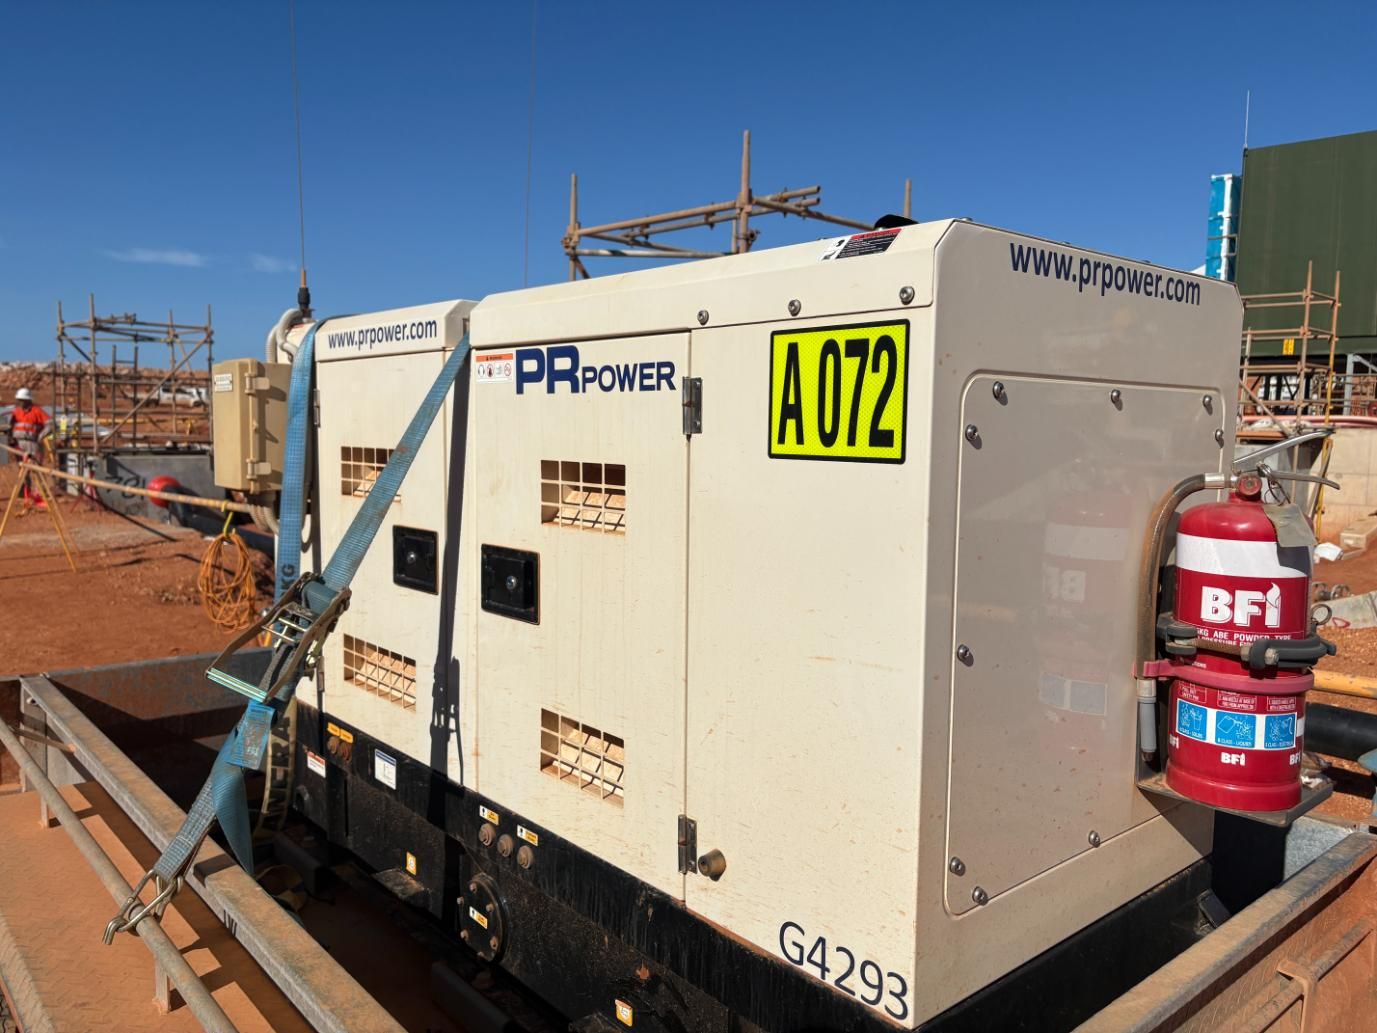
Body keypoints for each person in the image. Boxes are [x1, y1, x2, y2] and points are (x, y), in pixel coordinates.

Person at [8, 388, 51, 505]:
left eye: (21, 400)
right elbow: (11, 426)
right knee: (22, 470)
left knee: (36, 469)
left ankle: (39, 495)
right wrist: (11, 438)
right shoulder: (16, 412)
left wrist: (40, 437)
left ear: (27, 400)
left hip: (32, 444)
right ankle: (25, 493)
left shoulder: (37, 411)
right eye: (18, 400)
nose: (19, 403)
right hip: (19, 444)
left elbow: (50, 425)